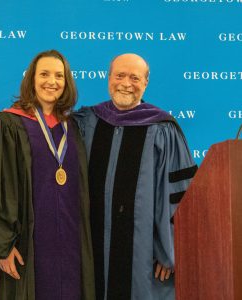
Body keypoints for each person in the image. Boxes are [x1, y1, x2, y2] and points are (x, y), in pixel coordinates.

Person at [0, 50, 95, 300]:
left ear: (66, 83)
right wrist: (3, 246)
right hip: (28, 245)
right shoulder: (9, 123)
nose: (52, 81)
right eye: (44, 74)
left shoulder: (73, 127)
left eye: (59, 76)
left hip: (71, 243)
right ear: (31, 79)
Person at [74, 53, 197, 300]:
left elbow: (181, 196)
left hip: (142, 252)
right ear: (108, 78)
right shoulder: (87, 122)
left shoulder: (163, 129)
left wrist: (170, 250)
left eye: (134, 77)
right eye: (119, 75)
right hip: (88, 248)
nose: (126, 83)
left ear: (146, 83)